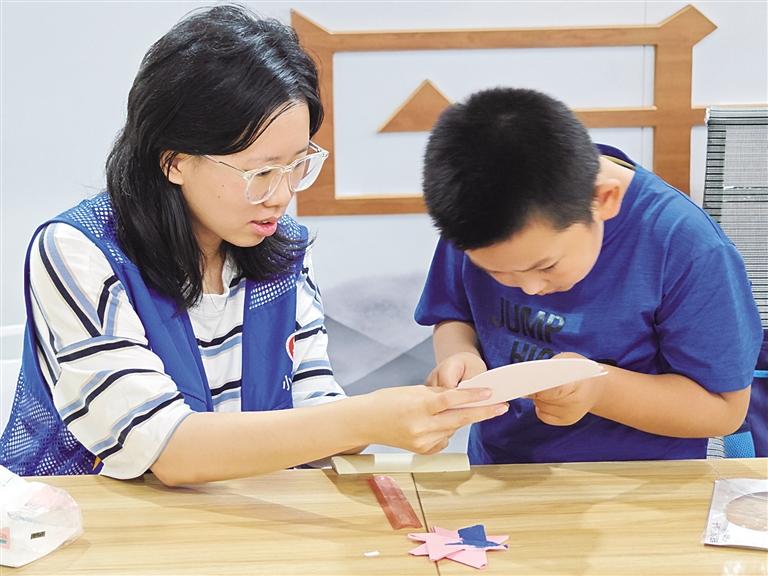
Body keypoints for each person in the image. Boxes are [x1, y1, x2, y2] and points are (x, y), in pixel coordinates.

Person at [0, 6, 508, 485]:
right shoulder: (79, 251)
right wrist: (365, 419)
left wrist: (414, 412)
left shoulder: (282, 251)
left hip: (236, 514)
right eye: (260, 173)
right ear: (173, 161)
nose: (282, 195)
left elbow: (312, 409)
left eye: (297, 165)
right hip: (86, 519)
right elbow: (163, 448)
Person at [415, 87, 763, 464]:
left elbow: (724, 410)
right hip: (501, 467)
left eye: (546, 266)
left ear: (604, 200)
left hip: (642, 482)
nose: (529, 288)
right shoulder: (480, 214)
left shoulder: (686, 246)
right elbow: (454, 314)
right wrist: (460, 355)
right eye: (496, 272)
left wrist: (599, 390)